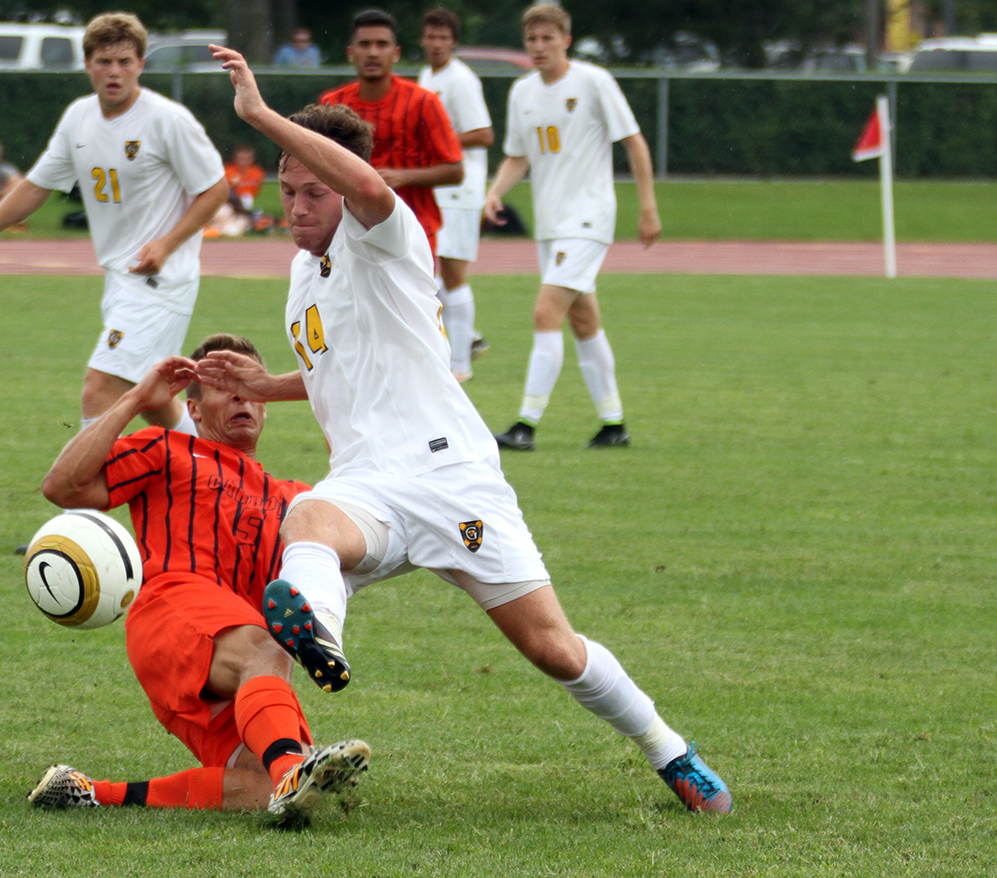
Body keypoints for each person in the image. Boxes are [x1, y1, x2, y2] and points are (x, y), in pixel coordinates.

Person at [200, 42, 732, 814]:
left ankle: (671, 752)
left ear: (345, 190)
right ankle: (299, 715)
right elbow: (343, 369)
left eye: (312, 192)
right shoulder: (299, 274)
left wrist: (260, 115)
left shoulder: (386, 232)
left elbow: (369, 186)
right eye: (286, 193)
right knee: (305, 522)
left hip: (450, 475)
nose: (295, 209)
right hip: (367, 484)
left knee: (553, 649)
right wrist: (267, 385)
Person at [28, 334, 371, 823]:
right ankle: (294, 768)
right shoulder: (166, 448)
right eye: (224, 386)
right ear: (193, 406)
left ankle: (89, 792)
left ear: (268, 406)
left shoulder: (297, 500)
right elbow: (63, 486)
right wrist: (134, 400)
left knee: (262, 779)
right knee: (270, 654)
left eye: (250, 386)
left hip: (238, 663)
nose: (240, 397)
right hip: (174, 613)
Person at [0, 13, 229, 434]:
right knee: (156, 401)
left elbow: (215, 190)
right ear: (88, 64)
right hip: (120, 278)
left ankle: (83, 499)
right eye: (104, 61)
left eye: (125, 62)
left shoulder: (167, 120)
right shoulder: (79, 118)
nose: (114, 72)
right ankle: (230, 480)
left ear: (141, 65)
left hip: (160, 280)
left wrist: (167, 244)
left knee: (99, 389)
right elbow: (36, 186)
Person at [484, 4, 662, 451]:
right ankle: (613, 424)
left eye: (548, 38)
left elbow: (634, 142)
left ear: (566, 38)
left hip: (588, 218)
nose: (540, 47)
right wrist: (495, 190)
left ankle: (526, 425)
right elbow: (518, 155)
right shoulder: (523, 92)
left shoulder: (593, 81)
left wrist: (648, 207)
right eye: (532, 40)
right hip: (551, 224)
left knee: (546, 313)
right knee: (583, 320)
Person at [319, 9, 462, 257]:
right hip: (351, 229)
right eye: (364, 44)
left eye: (381, 44)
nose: (373, 52)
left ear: (395, 53)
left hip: (414, 227)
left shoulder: (423, 102)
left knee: (415, 297)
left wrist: (402, 177)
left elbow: (455, 170)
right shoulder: (333, 103)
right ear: (351, 53)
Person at [417, 7, 493, 380]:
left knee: (452, 270)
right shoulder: (428, 75)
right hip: (438, 185)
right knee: (431, 268)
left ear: (454, 42)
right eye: (431, 36)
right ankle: (469, 338)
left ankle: (460, 363)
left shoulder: (462, 80)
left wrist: (436, 139)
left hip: (462, 185)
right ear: (422, 40)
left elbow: (483, 133)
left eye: (443, 37)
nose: (436, 44)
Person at [224, 143, 266, 213]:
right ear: (235, 158)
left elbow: (258, 191)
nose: (244, 162)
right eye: (241, 159)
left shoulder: (257, 172)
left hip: (248, 198)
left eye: (246, 159)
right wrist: (232, 186)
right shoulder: (228, 171)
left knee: (246, 197)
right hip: (232, 199)